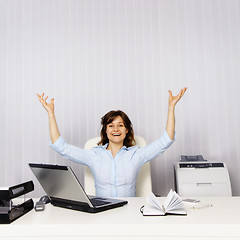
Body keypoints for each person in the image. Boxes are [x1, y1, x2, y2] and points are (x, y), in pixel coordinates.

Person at [37, 88, 187, 197]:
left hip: (130, 212)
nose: (116, 129)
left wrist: (171, 107)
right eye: (111, 125)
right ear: (106, 131)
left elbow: (166, 140)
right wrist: (51, 114)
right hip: (102, 213)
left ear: (127, 130)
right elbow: (60, 147)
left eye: (120, 125)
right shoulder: (94, 155)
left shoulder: (137, 154)